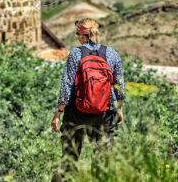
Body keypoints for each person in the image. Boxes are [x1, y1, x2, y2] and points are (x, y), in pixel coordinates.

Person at [50, 18, 125, 178]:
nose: (77, 37)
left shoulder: (76, 54)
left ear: (82, 35)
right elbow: (119, 86)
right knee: (103, 160)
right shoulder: (111, 53)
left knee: (70, 158)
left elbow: (66, 85)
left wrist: (58, 113)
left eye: (77, 34)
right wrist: (119, 110)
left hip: (76, 112)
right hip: (104, 113)